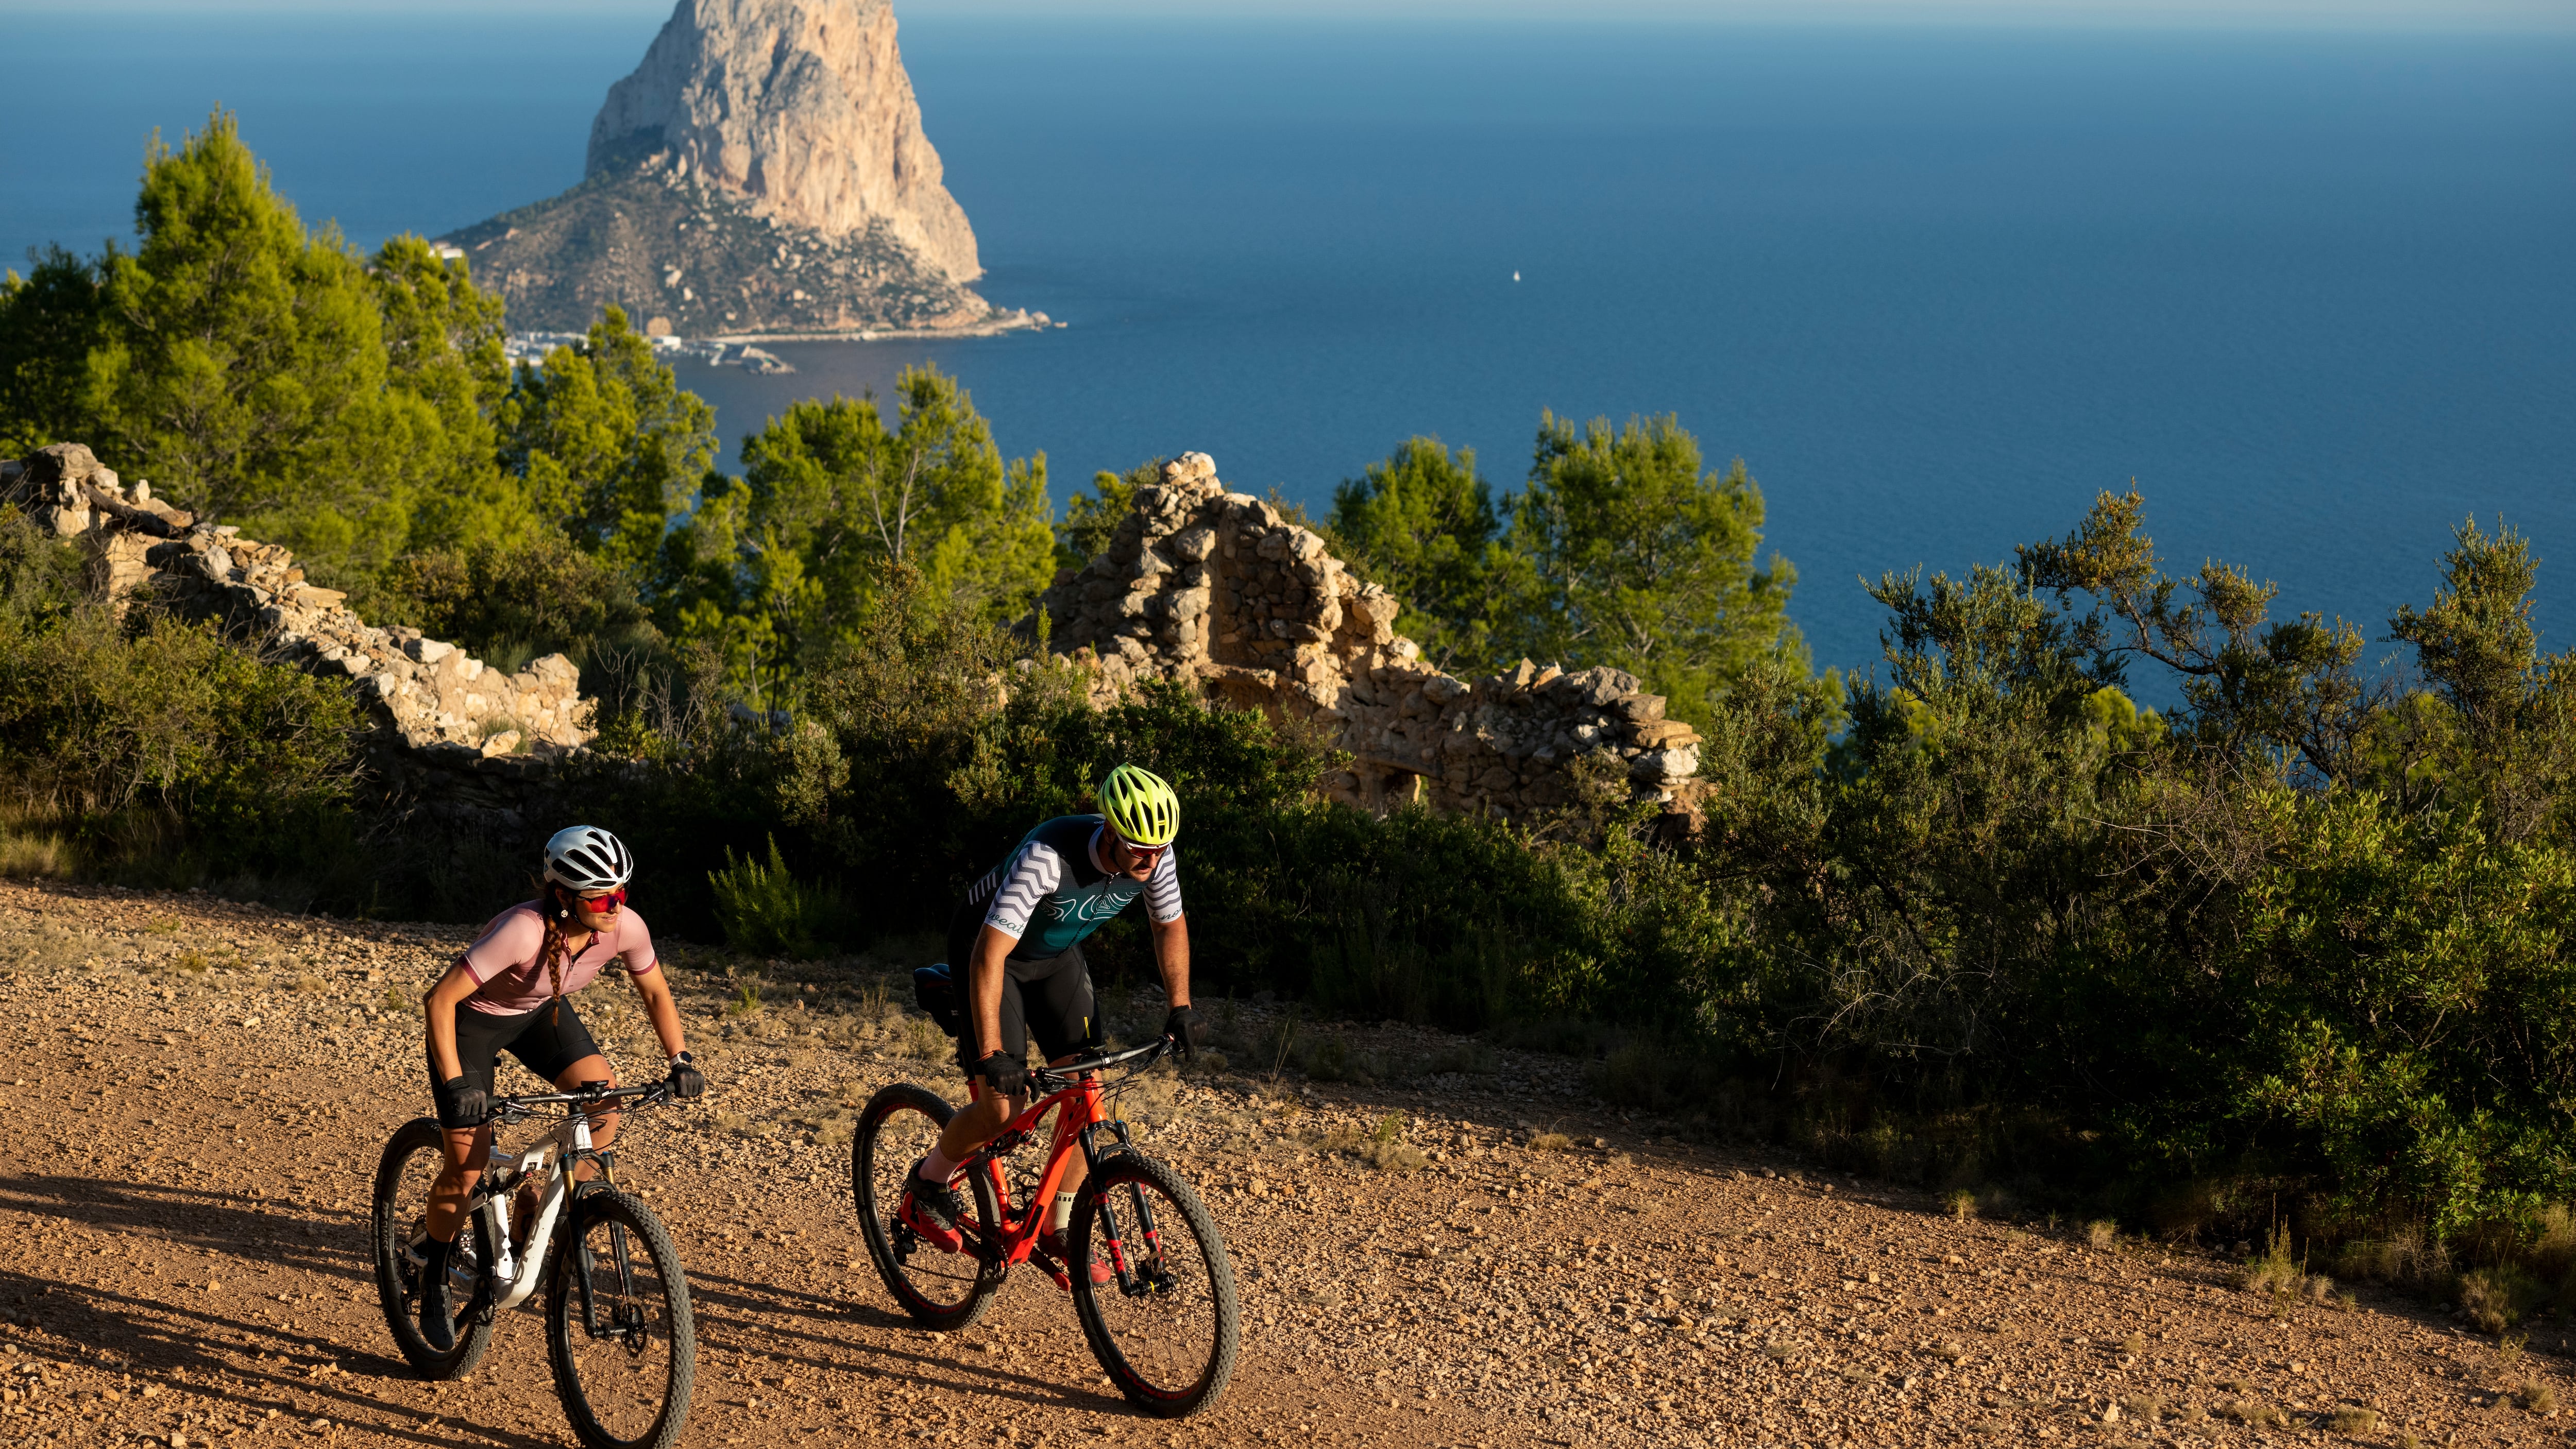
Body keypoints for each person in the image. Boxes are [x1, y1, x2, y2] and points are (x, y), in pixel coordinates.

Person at [415, 825, 707, 1351]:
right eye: (601, 895)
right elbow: (438, 1000)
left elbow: (656, 992)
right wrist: (458, 1080)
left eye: (622, 892)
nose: (615, 905)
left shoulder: (625, 927)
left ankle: (537, 1210)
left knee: (605, 1105)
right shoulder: (524, 931)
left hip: (539, 1015)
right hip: (470, 1024)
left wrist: (679, 1058)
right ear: (563, 895)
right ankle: (432, 1275)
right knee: (467, 1165)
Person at [901, 764, 1202, 1275]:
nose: (1151, 859)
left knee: (1092, 1095)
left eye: (1159, 849)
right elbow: (988, 956)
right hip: (990, 951)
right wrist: (993, 1054)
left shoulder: (1157, 855)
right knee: (1002, 1107)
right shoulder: (1045, 858)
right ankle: (926, 1185)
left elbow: (1167, 925)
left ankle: (1055, 1225)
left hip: (1056, 955)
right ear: (1108, 830)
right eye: (1138, 848)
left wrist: (1180, 1006)